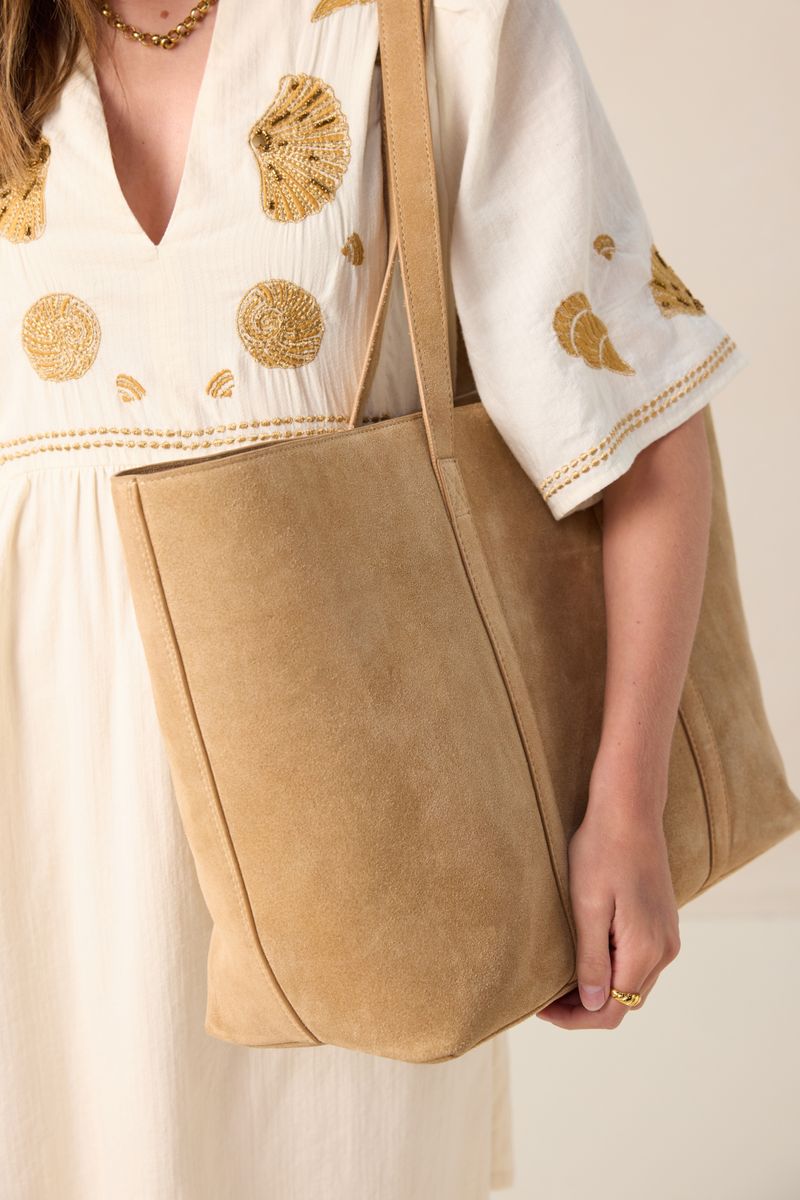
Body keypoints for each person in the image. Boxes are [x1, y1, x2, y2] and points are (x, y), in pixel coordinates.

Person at [0, 0, 746, 1196]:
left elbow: (636, 413)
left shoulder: (436, 17)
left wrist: (626, 808)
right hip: (38, 843)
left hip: (367, 838)